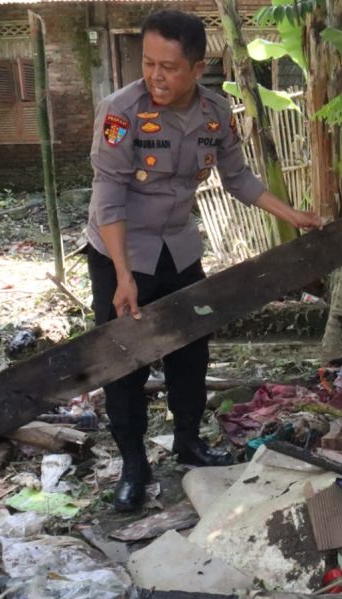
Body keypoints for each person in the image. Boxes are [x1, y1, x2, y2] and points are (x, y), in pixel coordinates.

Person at [87, 9, 321, 512]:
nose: (156, 76)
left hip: (179, 247)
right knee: (123, 359)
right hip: (120, 252)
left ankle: (188, 443)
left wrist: (291, 214)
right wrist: (123, 277)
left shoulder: (216, 113)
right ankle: (133, 465)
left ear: (197, 67)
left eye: (169, 67)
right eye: (149, 63)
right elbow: (108, 197)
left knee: (190, 350)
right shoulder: (120, 113)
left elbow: (238, 177)